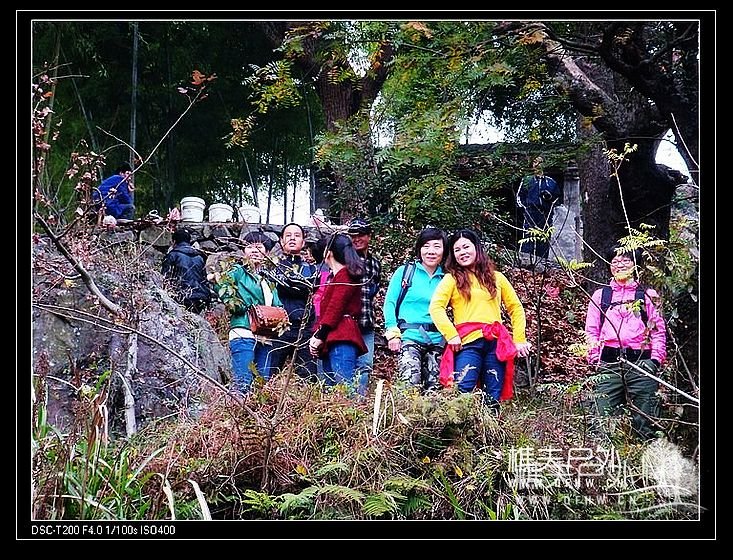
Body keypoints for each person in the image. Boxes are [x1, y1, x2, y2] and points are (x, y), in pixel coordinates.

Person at [429, 229, 531, 408]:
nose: (462, 252)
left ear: (476, 247)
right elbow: (436, 307)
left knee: (493, 396)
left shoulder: (497, 278)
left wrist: (519, 339)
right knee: (462, 391)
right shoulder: (451, 279)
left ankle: (490, 426)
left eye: (466, 247)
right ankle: (462, 426)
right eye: (457, 250)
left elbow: (515, 308)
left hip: (495, 344)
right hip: (467, 343)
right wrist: (451, 334)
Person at [584, 247, 667, 441]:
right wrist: (595, 358)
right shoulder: (601, 296)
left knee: (646, 420)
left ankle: (647, 455)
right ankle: (603, 456)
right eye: (615, 261)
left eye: (625, 260)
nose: (619, 265)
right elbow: (591, 330)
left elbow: (658, 331)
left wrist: (655, 360)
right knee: (601, 419)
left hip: (642, 363)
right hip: (608, 363)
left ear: (635, 265)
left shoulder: (647, 295)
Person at [215, 231, 283, 393]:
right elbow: (222, 283)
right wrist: (238, 306)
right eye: (249, 247)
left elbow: (277, 304)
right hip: (244, 331)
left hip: (265, 335)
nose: (254, 250)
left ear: (267, 253)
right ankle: (237, 407)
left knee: (261, 384)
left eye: (259, 247)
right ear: (243, 251)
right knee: (243, 381)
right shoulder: (238, 271)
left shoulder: (268, 279)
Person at [383, 228, 448, 392]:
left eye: (437, 246)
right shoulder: (405, 272)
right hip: (409, 337)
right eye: (426, 246)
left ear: (444, 250)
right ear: (419, 249)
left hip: (438, 341)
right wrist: (392, 332)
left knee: (434, 392)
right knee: (409, 386)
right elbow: (390, 303)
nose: (431, 251)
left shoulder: (448, 278)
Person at [308, 233, 367, 390]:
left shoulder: (345, 276)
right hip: (334, 336)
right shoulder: (338, 277)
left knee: (344, 387)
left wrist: (319, 336)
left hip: (342, 335)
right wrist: (318, 335)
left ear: (329, 253)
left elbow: (335, 308)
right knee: (333, 389)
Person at [267, 223, 319, 381]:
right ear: (281, 241)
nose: (292, 238)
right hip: (277, 327)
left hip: (304, 328)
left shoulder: (312, 269)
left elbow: (310, 288)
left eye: (297, 235)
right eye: (288, 235)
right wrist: (299, 286)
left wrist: (287, 284)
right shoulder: (273, 266)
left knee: (308, 376)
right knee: (270, 374)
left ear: (303, 242)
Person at [347, 218, 382, 394]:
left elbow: (374, 290)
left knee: (365, 365)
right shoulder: (344, 259)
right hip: (347, 322)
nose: (356, 239)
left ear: (369, 236)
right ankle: (343, 402)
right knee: (346, 363)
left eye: (360, 235)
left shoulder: (375, 264)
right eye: (353, 235)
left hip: (367, 322)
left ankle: (359, 402)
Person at [516, 156, 560, 259]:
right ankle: (525, 260)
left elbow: (557, 197)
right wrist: (525, 208)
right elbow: (519, 197)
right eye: (535, 162)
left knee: (544, 237)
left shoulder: (551, 182)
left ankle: (543, 261)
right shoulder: (527, 180)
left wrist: (549, 197)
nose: (537, 164)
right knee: (528, 236)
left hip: (545, 213)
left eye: (540, 162)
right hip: (531, 212)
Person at [161, 228, 211, 313]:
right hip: (202, 296)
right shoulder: (199, 257)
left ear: (174, 242)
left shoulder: (172, 256)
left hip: (182, 297)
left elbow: (165, 279)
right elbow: (204, 279)